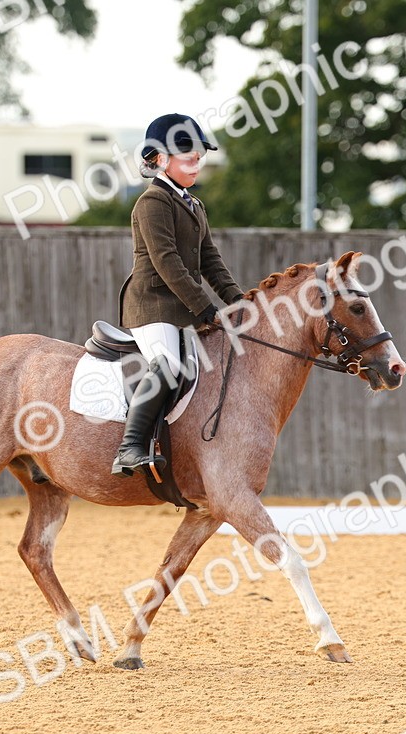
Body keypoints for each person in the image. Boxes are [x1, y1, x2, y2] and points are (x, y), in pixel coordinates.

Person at [111, 113, 245, 477]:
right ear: (160, 159)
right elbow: (167, 262)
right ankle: (129, 447)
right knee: (169, 364)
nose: (196, 164)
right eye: (188, 158)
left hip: (181, 309)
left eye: (199, 158)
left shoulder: (194, 205)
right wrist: (205, 307)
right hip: (152, 306)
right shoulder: (152, 202)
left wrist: (239, 301)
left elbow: (210, 260)